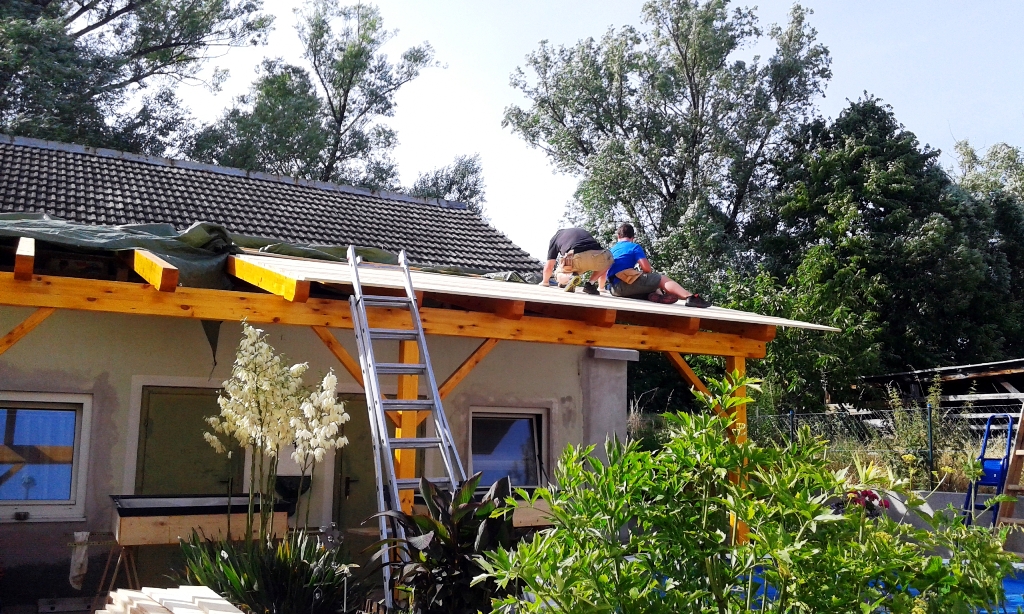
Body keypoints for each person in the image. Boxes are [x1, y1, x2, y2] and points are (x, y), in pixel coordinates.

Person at [606, 223, 711, 307]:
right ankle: (690, 297)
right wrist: (643, 273)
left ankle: (655, 295)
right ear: (633, 237)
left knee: (649, 286)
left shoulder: (612, 249)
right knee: (660, 279)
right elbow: (647, 269)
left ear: (618, 236)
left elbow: (603, 271)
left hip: (614, 290)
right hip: (623, 285)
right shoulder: (634, 247)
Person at [539, 227, 613, 294]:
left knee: (558, 273)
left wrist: (545, 282)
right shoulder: (582, 230)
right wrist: (601, 288)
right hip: (598, 256)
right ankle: (590, 284)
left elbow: (549, 265)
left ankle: (570, 277)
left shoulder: (555, 238)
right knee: (607, 260)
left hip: (576, 257)